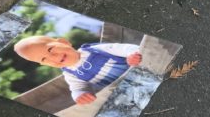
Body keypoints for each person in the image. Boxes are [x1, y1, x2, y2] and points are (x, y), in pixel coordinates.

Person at [14, 35, 142, 105]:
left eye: (50, 49)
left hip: (140, 70)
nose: (53, 57)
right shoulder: (70, 75)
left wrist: (132, 55)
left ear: (64, 42)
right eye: (44, 59)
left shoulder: (94, 50)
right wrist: (80, 96)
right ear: (44, 65)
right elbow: (77, 88)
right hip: (125, 90)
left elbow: (121, 48)